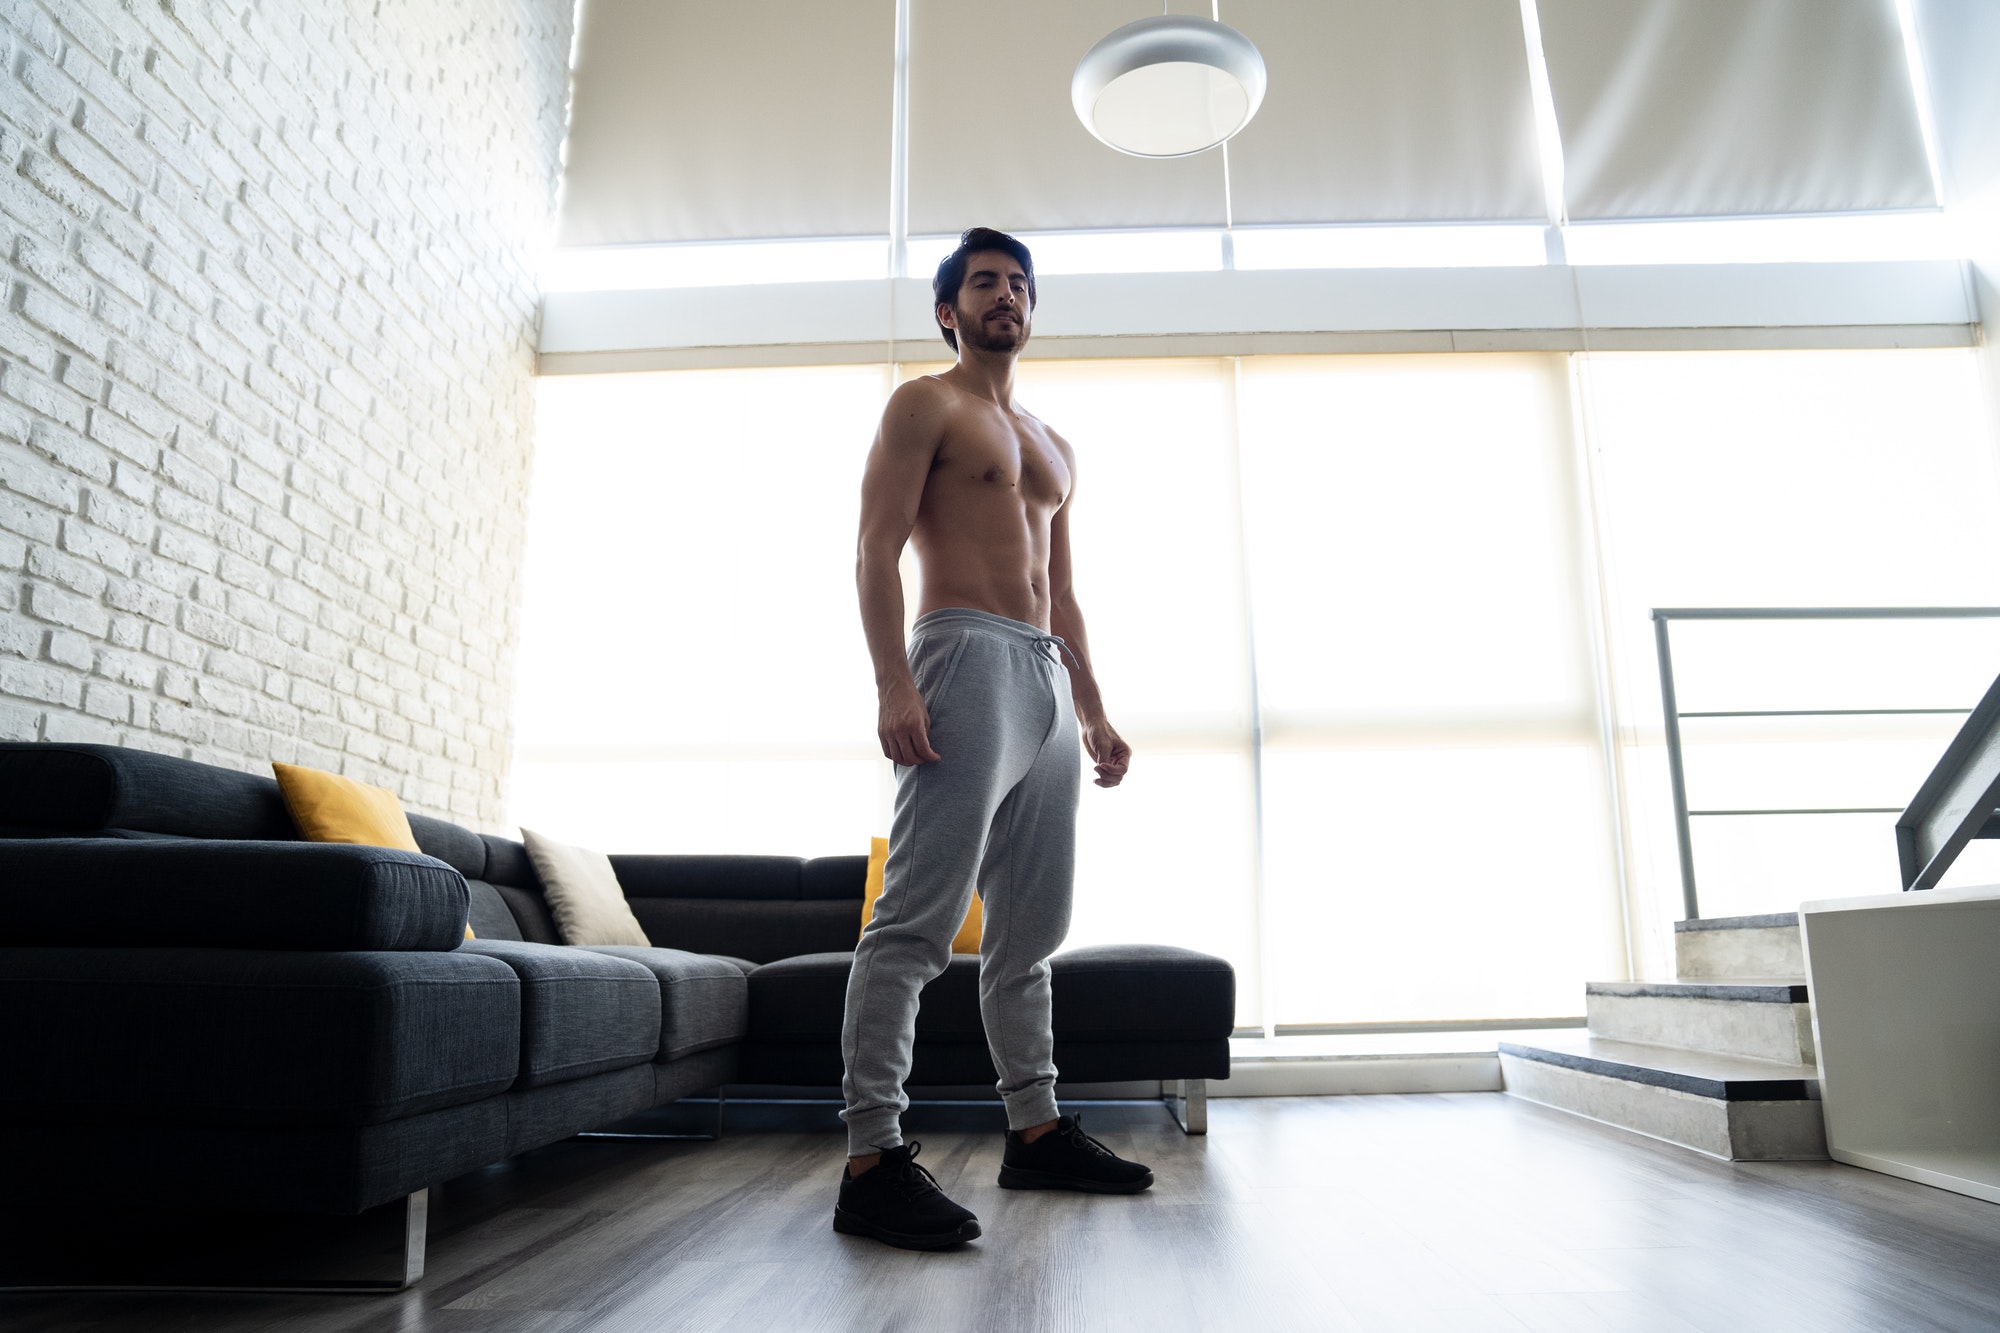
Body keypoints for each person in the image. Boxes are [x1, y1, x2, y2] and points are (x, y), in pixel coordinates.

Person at [834, 227, 1153, 1250]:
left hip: (1042, 677)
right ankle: (872, 1158)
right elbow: (874, 546)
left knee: (1029, 933)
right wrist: (891, 678)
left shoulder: (1056, 444)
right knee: (915, 922)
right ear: (947, 308)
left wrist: (1092, 704)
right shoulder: (923, 403)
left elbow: (1062, 588)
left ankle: (1036, 1128)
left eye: (1017, 283)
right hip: (960, 655)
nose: (1004, 296)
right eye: (983, 282)